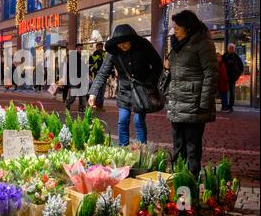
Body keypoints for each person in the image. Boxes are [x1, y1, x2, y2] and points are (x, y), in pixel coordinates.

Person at [89, 24, 162, 146]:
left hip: (141, 90)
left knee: (138, 121)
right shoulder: (113, 51)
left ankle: (141, 152)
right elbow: (102, 73)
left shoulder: (143, 45)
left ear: (131, 40)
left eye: (125, 43)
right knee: (122, 120)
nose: (122, 46)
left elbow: (157, 65)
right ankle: (123, 150)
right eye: (119, 44)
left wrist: (150, 83)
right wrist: (93, 94)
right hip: (124, 90)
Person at [165, 10, 218, 178]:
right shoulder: (175, 46)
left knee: (192, 148)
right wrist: (167, 68)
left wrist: (203, 104)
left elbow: (211, 74)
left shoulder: (203, 43)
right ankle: (177, 181)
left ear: (187, 28)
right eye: (174, 28)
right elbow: (173, 74)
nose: (175, 31)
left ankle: (191, 183)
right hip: (177, 103)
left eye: (178, 28)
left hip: (193, 104)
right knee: (177, 146)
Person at [66, 44, 87, 112]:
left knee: (83, 94)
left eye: (82, 49)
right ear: (76, 48)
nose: (82, 50)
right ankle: (67, 103)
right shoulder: (73, 56)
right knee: (73, 95)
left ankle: (82, 108)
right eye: (80, 48)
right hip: (74, 78)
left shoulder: (81, 57)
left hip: (81, 78)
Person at [222, 43, 244, 112]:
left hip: (232, 78)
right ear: (227, 48)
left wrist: (236, 77)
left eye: (232, 48)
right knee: (224, 92)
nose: (231, 49)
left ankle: (230, 106)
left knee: (232, 93)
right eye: (230, 48)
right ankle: (224, 106)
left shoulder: (236, 57)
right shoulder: (224, 56)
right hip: (224, 78)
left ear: (234, 49)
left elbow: (241, 68)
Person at [89, 42, 106, 111]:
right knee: (98, 91)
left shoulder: (105, 55)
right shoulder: (93, 56)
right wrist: (92, 73)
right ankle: (96, 105)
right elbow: (89, 66)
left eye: (101, 47)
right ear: (96, 47)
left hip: (104, 75)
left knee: (102, 91)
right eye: (99, 47)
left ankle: (100, 106)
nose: (100, 48)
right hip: (96, 75)